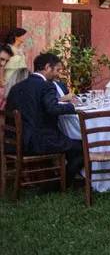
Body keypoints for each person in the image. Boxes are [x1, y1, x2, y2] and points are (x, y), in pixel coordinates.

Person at [4, 53, 84, 183]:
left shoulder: (16, 87)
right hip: (39, 141)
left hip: (15, 142)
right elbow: (52, 109)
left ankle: (60, 175)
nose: (58, 74)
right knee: (82, 147)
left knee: (69, 142)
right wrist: (74, 107)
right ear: (47, 67)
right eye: (57, 70)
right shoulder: (46, 85)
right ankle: (63, 182)